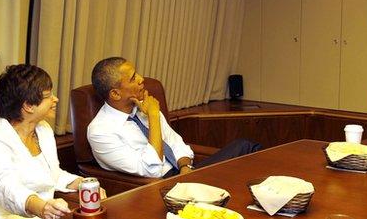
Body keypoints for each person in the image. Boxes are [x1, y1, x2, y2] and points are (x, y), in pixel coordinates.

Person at [0, 64, 105, 219]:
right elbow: (6, 187)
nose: (56, 99)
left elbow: (52, 175)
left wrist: (81, 184)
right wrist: (42, 208)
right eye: (48, 96)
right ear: (28, 106)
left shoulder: (42, 129)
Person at [87, 57, 262, 178]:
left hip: (184, 174)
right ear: (116, 94)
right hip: (158, 189)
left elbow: (176, 143)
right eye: (133, 78)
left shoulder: (142, 107)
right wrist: (153, 116)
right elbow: (152, 169)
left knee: (245, 147)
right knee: (245, 150)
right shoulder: (100, 131)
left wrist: (185, 167)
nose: (141, 79)